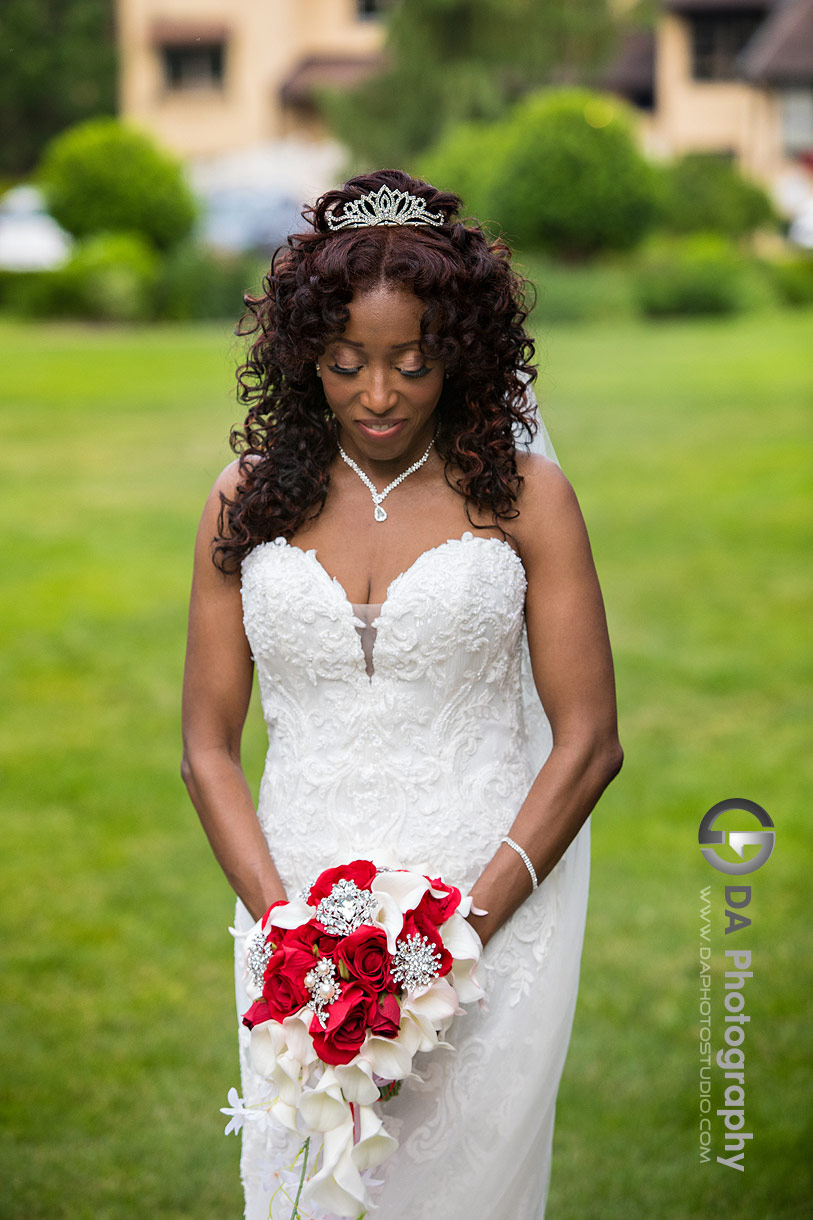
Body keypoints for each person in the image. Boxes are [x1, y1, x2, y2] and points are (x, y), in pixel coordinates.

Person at [181, 168, 622, 1220]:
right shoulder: (244, 500)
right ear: (305, 356)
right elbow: (206, 744)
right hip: (293, 925)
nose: (378, 395)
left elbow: (591, 740)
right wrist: (289, 938)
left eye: (411, 363)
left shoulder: (525, 497)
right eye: (346, 363)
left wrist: (455, 938)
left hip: (490, 923)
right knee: (312, 1194)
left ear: (458, 352)